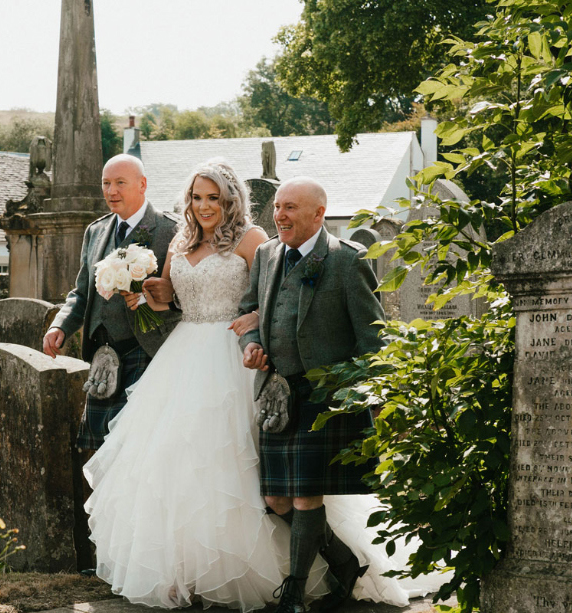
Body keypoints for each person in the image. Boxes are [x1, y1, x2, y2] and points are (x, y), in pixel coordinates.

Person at [84, 163, 442, 611]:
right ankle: (188, 572)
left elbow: (266, 295)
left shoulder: (253, 239)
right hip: (183, 357)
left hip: (236, 360)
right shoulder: (180, 240)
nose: (205, 206)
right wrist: (149, 294)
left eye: (214, 198)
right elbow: (174, 301)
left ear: (231, 199)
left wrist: (254, 323)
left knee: (254, 477)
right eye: (197, 197)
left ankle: (307, 568)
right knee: (177, 468)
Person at [239, 176, 394, 613]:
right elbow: (247, 311)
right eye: (277, 207)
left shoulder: (347, 262)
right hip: (276, 392)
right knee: (275, 499)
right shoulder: (268, 254)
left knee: (307, 495)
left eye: (290, 208)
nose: (280, 215)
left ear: (319, 213)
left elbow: (372, 336)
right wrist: (249, 343)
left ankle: (294, 591)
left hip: (327, 397)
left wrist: (375, 396)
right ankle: (343, 561)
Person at [43, 153, 181, 450]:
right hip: (101, 354)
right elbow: (81, 292)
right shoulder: (96, 230)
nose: (111, 191)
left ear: (142, 184)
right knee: (97, 452)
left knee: (137, 450)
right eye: (106, 183)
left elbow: (184, 294)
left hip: (147, 352)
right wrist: (61, 326)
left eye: (120, 183)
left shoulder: (171, 230)